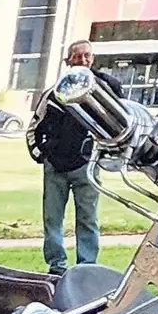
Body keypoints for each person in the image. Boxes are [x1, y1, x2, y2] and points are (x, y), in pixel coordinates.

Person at [30, 41, 116, 268]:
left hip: (87, 165)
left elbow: (117, 126)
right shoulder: (54, 92)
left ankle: (86, 265)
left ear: (93, 58)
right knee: (52, 219)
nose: (83, 60)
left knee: (88, 219)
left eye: (87, 56)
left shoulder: (106, 89)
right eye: (77, 56)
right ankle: (56, 265)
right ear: (68, 61)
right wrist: (41, 154)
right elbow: (35, 126)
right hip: (55, 167)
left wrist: (105, 155)